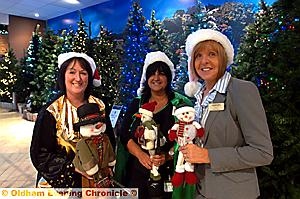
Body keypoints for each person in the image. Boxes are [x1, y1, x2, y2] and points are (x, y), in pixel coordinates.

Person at [182, 29, 274, 199]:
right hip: (201, 190)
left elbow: (262, 152)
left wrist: (208, 156)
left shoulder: (241, 90)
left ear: (223, 58)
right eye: (198, 56)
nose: (204, 61)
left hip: (233, 193)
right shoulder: (199, 96)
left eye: (212, 54)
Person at [30, 52, 115, 188]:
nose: (78, 78)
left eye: (83, 73)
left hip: (97, 180)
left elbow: (109, 140)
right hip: (64, 182)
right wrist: (74, 167)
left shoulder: (99, 106)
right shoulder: (51, 111)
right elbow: (40, 154)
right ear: (63, 76)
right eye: (72, 72)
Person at [117, 51, 193, 199]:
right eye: (152, 74)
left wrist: (166, 156)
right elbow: (125, 136)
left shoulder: (180, 105)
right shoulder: (136, 103)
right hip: (137, 174)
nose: (156, 78)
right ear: (147, 78)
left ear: (168, 78)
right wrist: (140, 155)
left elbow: (187, 138)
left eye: (162, 74)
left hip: (168, 175)